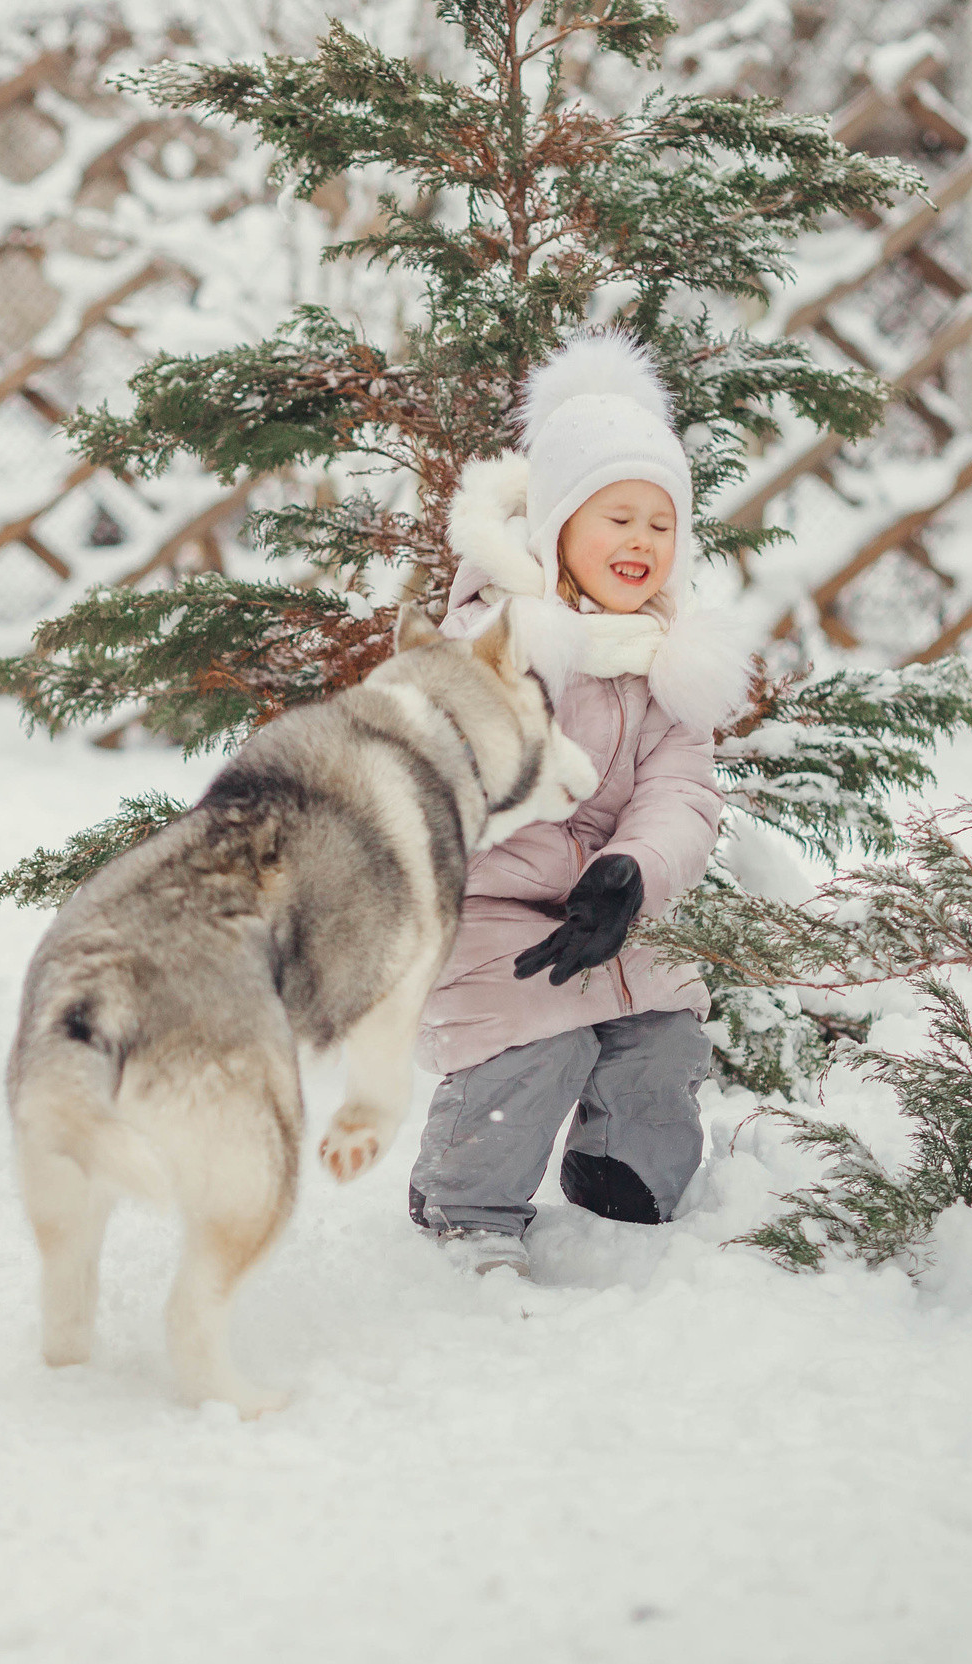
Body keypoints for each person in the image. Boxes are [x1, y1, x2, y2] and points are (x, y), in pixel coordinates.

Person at [408, 332, 755, 1280]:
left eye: (660, 523)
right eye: (616, 518)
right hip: (484, 908)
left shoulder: (669, 659)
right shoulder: (499, 640)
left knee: (663, 1035)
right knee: (533, 1037)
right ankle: (464, 1198)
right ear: (555, 527)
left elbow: (682, 788)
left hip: (610, 904)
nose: (641, 542)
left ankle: (617, 1182)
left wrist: (629, 873)